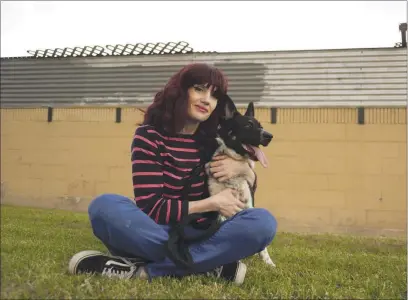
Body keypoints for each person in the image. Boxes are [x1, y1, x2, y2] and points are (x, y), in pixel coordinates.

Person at [68, 63, 277, 285]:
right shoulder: (148, 137)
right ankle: (206, 263)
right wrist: (211, 203)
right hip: (158, 229)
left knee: (263, 223)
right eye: (199, 89)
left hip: (203, 231)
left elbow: (244, 190)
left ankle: (143, 271)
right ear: (180, 91)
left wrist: (245, 169)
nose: (207, 99)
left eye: (214, 95)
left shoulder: (214, 142)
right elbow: (151, 207)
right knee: (104, 207)